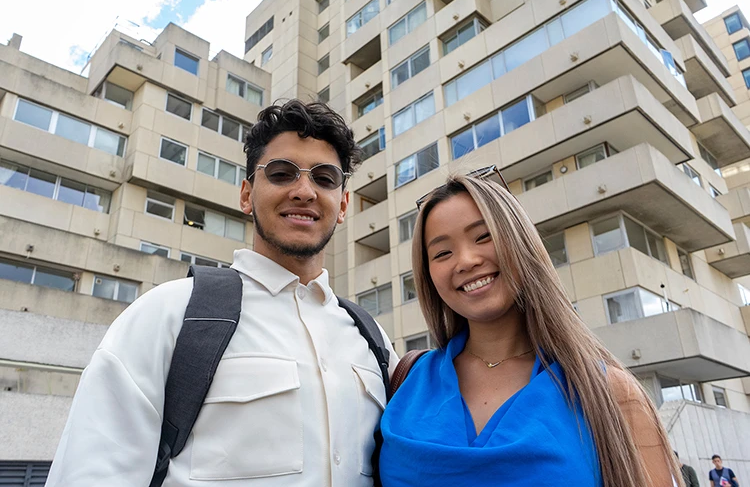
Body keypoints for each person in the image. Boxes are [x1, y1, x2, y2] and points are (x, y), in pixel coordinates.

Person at [46, 100, 398, 486]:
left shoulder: (371, 338)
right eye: (281, 173)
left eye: (325, 178)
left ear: (344, 203)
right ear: (246, 195)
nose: (304, 191)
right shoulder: (169, 312)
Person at [379, 168, 683, 487]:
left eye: (484, 236)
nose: (466, 261)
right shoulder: (406, 381)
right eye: (442, 253)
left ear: (521, 243)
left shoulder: (611, 393)